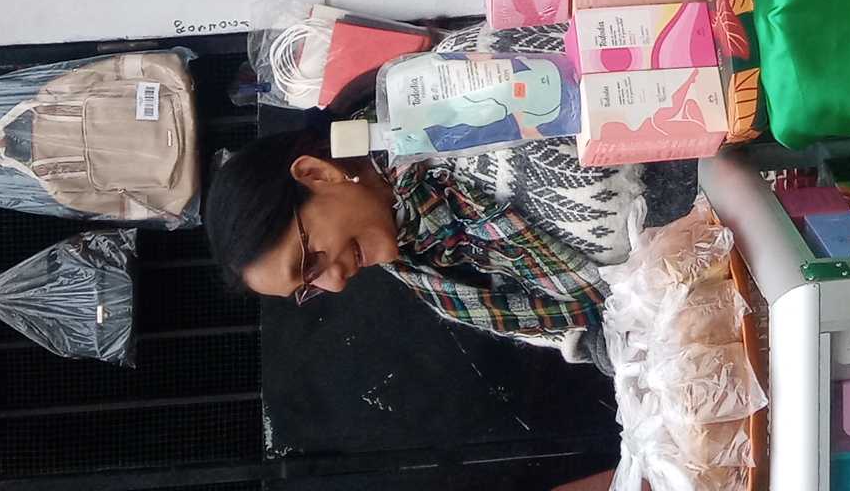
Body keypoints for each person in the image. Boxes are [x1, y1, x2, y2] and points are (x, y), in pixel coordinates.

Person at [206, 24, 642, 366]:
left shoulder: (438, 92)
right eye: (310, 286)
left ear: (316, 174)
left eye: (309, 261)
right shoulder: (430, 272)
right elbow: (588, 338)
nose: (334, 283)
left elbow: (619, 75)